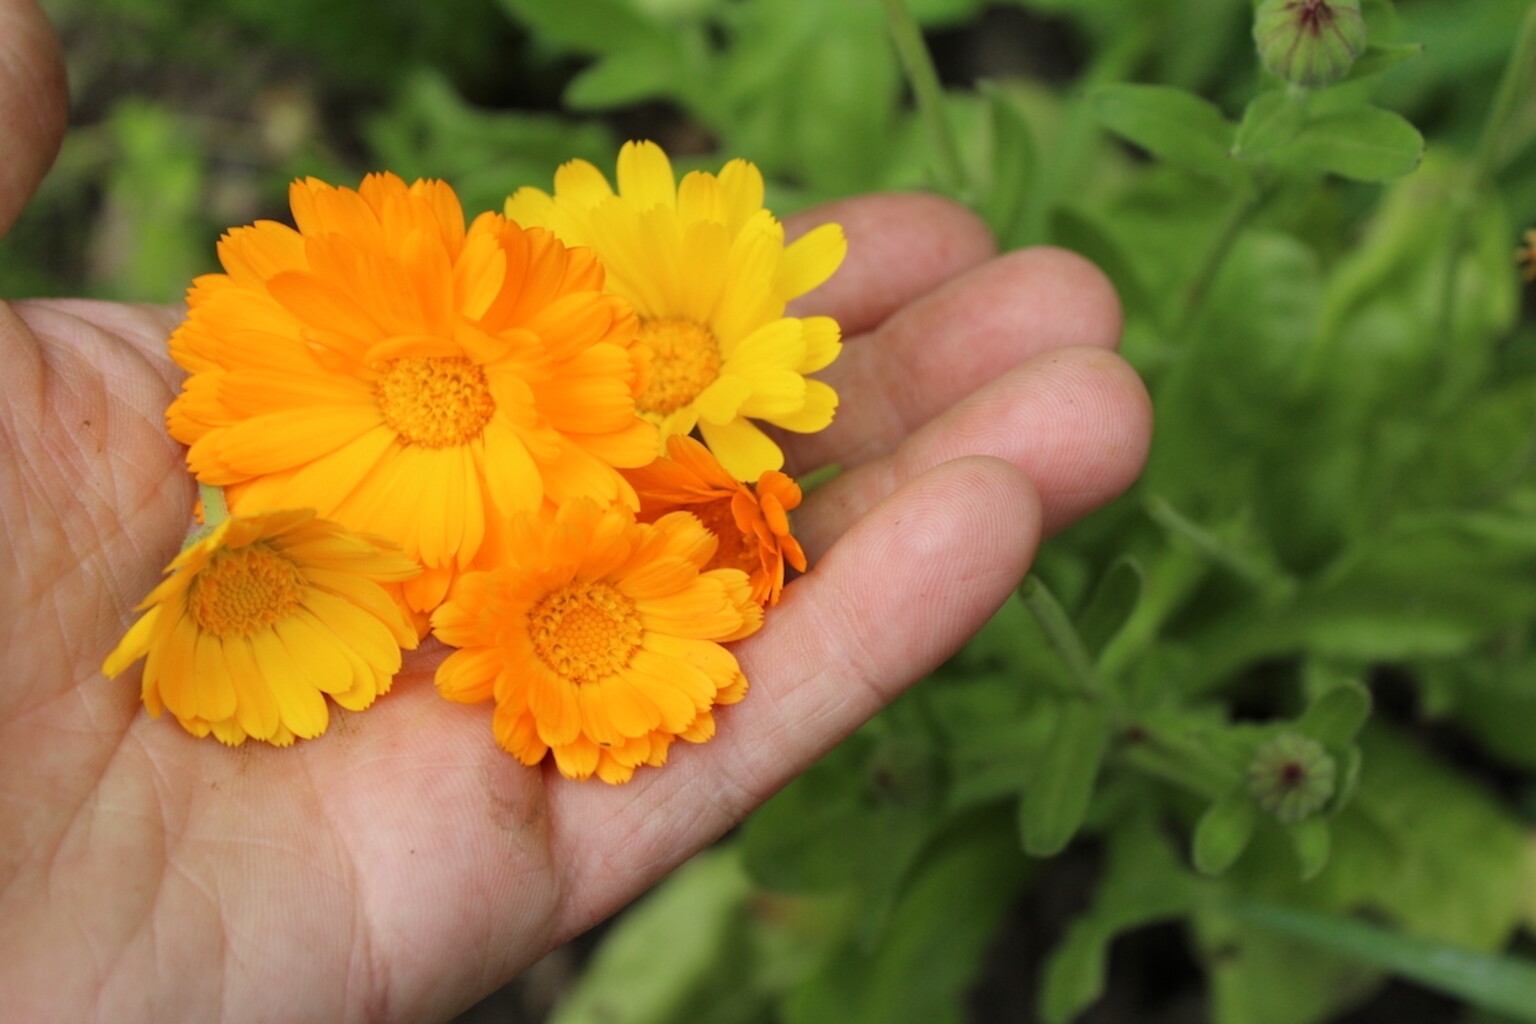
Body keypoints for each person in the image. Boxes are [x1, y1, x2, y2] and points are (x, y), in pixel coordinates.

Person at [0, 0, 1152, 1019]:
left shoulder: (516, 425)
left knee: (998, 440)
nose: (437, 395)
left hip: (567, 419)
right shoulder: (339, 499)